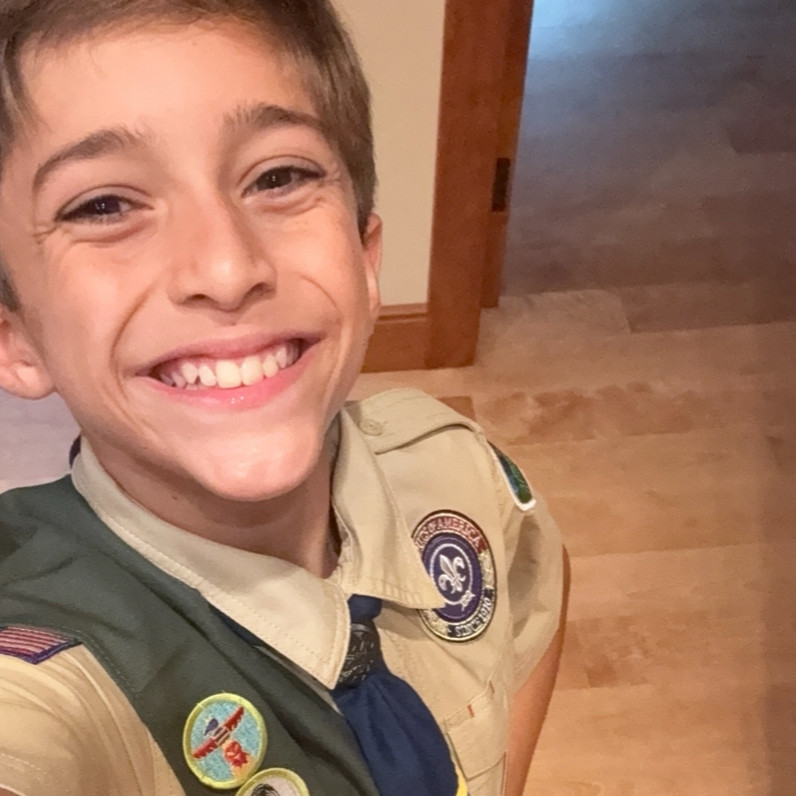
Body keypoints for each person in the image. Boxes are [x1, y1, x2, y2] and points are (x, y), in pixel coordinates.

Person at [0, 1, 568, 795]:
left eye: (278, 176)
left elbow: (534, 594)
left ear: (365, 261)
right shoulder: (37, 669)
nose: (227, 268)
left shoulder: (453, 469)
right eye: (103, 206)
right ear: (15, 339)